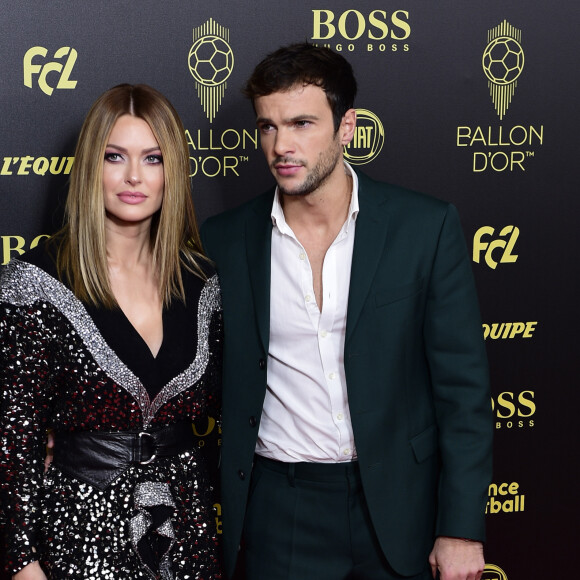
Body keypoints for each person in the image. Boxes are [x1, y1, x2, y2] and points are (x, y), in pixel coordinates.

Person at [201, 43, 493, 580]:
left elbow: (464, 393)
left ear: (347, 127)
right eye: (267, 127)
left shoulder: (422, 228)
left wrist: (461, 527)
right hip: (280, 507)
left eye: (302, 123)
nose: (281, 146)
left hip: (400, 505)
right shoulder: (220, 242)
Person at [0, 84, 223, 579]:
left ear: (173, 171)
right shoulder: (34, 285)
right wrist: (21, 563)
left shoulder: (203, 283)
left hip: (187, 532)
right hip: (80, 533)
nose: (133, 177)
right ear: (89, 168)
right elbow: (12, 442)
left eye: (153, 158)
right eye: (114, 157)